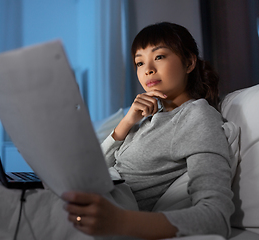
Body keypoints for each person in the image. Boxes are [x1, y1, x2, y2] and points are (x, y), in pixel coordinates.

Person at [62, 22, 234, 239]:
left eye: (159, 56)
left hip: (107, 210)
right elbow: (94, 170)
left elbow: (215, 216)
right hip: (90, 192)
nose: (147, 69)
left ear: (189, 62)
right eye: (139, 62)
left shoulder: (197, 116)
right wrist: (127, 122)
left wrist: (118, 221)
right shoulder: (150, 115)